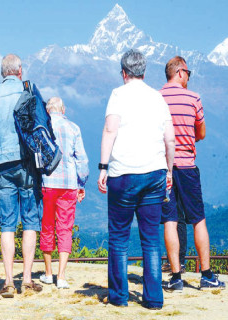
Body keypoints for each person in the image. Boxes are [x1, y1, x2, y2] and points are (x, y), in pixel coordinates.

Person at [98, 49, 175, 309]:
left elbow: (110, 129)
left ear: (123, 72)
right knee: (151, 239)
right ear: (144, 71)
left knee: (119, 238)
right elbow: (170, 139)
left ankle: (119, 297)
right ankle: (153, 298)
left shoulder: (118, 95)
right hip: (154, 172)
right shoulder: (157, 97)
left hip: (123, 174)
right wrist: (170, 170)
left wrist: (103, 166)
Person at [0, 54, 43, 297]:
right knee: (30, 222)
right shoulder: (28, 91)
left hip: (2, 165)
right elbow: (40, 125)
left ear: (2, 73)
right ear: (19, 71)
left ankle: (7, 281)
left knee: (7, 224)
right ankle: (26, 279)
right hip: (26, 163)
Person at [160, 56, 226, 291]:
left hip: (163, 169)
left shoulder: (156, 98)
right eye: (188, 72)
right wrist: (188, 136)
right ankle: (207, 275)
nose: (189, 77)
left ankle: (176, 277)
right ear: (180, 72)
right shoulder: (193, 97)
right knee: (198, 219)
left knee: (169, 220)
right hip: (187, 166)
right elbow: (202, 132)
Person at [39, 97, 89, 289]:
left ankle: (48, 273)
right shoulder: (74, 128)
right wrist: (81, 183)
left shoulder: (42, 127)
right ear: (63, 109)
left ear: (48, 110)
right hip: (69, 184)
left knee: (47, 226)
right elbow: (82, 159)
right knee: (65, 228)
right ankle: (61, 276)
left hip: (48, 182)